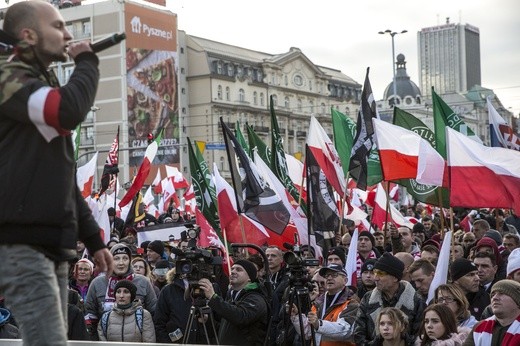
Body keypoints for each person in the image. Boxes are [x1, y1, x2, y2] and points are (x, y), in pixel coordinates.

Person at [0, 2, 114, 345]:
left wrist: (93, 239)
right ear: (29, 35)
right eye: (59, 26)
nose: (67, 35)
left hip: (49, 240)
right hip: (20, 241)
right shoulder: (8, 77)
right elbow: (65, 111)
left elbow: (59, 177)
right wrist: (87, 61)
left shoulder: (35, 80)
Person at [85, 244, 157, 339]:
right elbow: (90, 315)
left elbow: (154, 313)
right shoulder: (97, 283)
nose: (121, 263)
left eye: (125, 258)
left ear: (130, 261)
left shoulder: (143, 282)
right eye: (116, 258)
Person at [354, 253, 425, 345]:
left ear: (395, 278)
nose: (375, 278)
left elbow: (419, 336)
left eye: (380, 274)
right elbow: (358, 333)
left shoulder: (416, 301)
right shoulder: (368, 298)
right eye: (375, 272)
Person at [199, 259, 269, 345]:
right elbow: (224, 330)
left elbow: (240, 317)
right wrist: (208, 321)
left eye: (239, 270)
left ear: (250, 278)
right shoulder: (232, 298)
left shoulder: (256, 298)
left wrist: (213, 297)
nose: (233, 272)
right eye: (232, 269)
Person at [290, 264, 358, 345]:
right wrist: (297, 315)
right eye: (326, 276)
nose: (329, 278)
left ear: (345, 280)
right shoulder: (318, 303)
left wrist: (319, 324)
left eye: (334, 275)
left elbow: (345, 331)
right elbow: (308, 333)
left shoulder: (351, 303)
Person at [463, 280, 520, 346]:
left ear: (517, 301)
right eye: (493, 295)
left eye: (501, 293)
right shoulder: (479, 327)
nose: (494, 298)